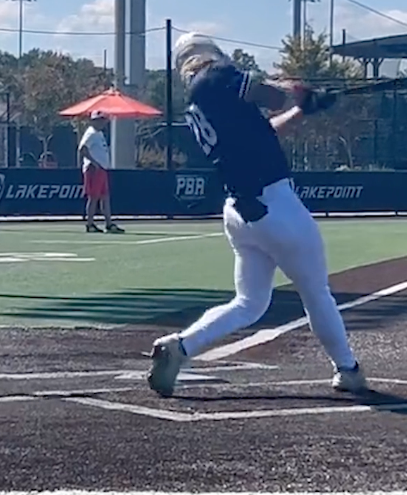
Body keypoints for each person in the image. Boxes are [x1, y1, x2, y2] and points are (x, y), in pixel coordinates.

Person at [146, 33, 365, 397]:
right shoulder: (214, 78)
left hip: (240, 211)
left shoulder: (202, 100)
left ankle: (179, 346)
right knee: (316, 293)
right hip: (273, 202)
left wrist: (303, 109)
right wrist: (300, 91)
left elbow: (268, 130)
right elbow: (272, 96)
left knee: (250, 302)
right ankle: (347, 368)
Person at [78, 109, 122, 233]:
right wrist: (94, 163)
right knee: (93, 197)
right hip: (94, 170)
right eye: (99, 120)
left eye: (103, 120)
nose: (102, 122)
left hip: (102, 170)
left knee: (105, 197)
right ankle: (90, 224)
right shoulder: (91, 133)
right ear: (93, 121)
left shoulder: (99, 133)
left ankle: (109, 224)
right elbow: (82, 149)